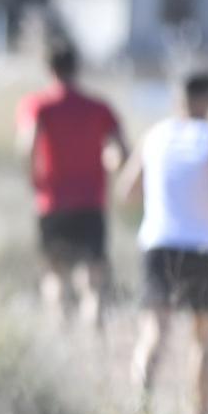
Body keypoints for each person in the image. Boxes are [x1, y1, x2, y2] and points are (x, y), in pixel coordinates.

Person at [117, 71, 208, 414]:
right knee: (201, 339)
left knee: (153, 331)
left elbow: (127, 190)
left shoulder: (154, 135)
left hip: (158, 242)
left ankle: (140, 407)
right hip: (201, 244)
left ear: (177, 99)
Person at [18, 42, 129, 329]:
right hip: (91, 203)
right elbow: (120, 152)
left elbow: (27, 144)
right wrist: (112, 168)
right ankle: (92, 341)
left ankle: (60, 339)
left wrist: (33, 179)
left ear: (48, 69)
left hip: (52, 202)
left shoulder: (38, 105)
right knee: (92, 281)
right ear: (77, 68)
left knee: (55, 276)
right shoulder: (99, 108)